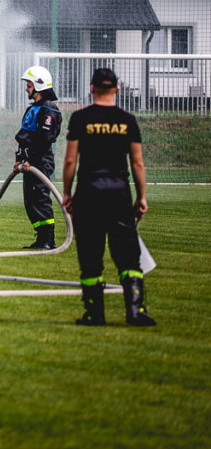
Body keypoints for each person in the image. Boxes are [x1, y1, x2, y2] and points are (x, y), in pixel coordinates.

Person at [62, 68, 155, 327]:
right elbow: (137, 163)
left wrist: (68, 193)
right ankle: (135, 312)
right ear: (116, 89)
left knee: (90, 254)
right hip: (118, 193)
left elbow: (71, 160)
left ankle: (95, 313)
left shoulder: (80, 118)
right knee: (127, 255)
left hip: (89, 192)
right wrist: (142, 197)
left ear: (92, 88)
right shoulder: (127, 120)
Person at [14, 66, 62, 250]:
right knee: (31, 200)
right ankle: (41, 239)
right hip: (29, 160)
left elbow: (45, 139)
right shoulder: (33, 109)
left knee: (40, 198)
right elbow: (25, 136)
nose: (26, 89)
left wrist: (31, 160)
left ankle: (48, 240)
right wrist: (19, 158)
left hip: (40, 160)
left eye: (29, 85)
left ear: (38, 85)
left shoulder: (49, 109)